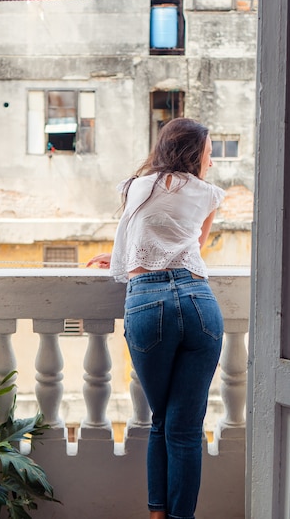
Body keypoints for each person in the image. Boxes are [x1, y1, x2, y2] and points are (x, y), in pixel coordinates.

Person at [87, 117, 225, 519]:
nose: (210, 163)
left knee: (160, 422)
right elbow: (192, 245)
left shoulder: (136, 187)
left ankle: (156, 515)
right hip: (199, 303)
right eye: (208, 154)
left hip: (149, 304)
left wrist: (120, 260)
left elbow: (138, 241)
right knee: (185, 430)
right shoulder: (209, 194)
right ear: (193, 154)